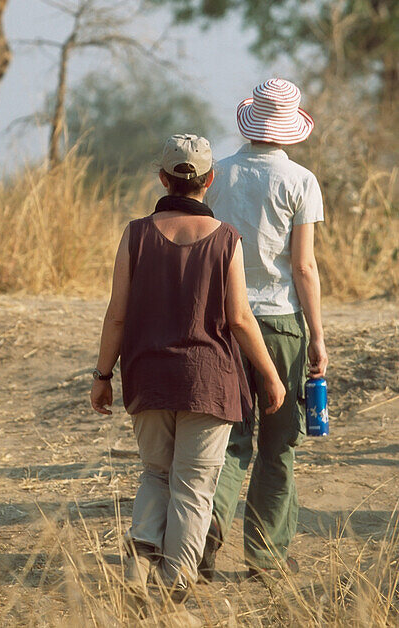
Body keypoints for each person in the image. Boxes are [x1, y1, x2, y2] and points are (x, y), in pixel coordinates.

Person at [90, 134, 285, 602]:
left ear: (162, 178)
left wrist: (102, 376)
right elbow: (239, 318)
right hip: (208, 382)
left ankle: (138, 568)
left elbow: (117, 313)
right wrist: (271, 376)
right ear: (209, 181)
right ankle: (175, 585)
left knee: (156, 474)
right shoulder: (225, 240)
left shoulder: (135, 234)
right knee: (194, 487)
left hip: (148, 376)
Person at [200, 77, 328, 578]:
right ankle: (266, 558)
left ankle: (202, 540)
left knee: (229, 440)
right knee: (278, 445)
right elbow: (304, 268)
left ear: (252, 122)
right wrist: (317, 337)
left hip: (225, 323)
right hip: (281, 326)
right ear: (290, 128)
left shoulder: (219, 176)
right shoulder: (301, 181)